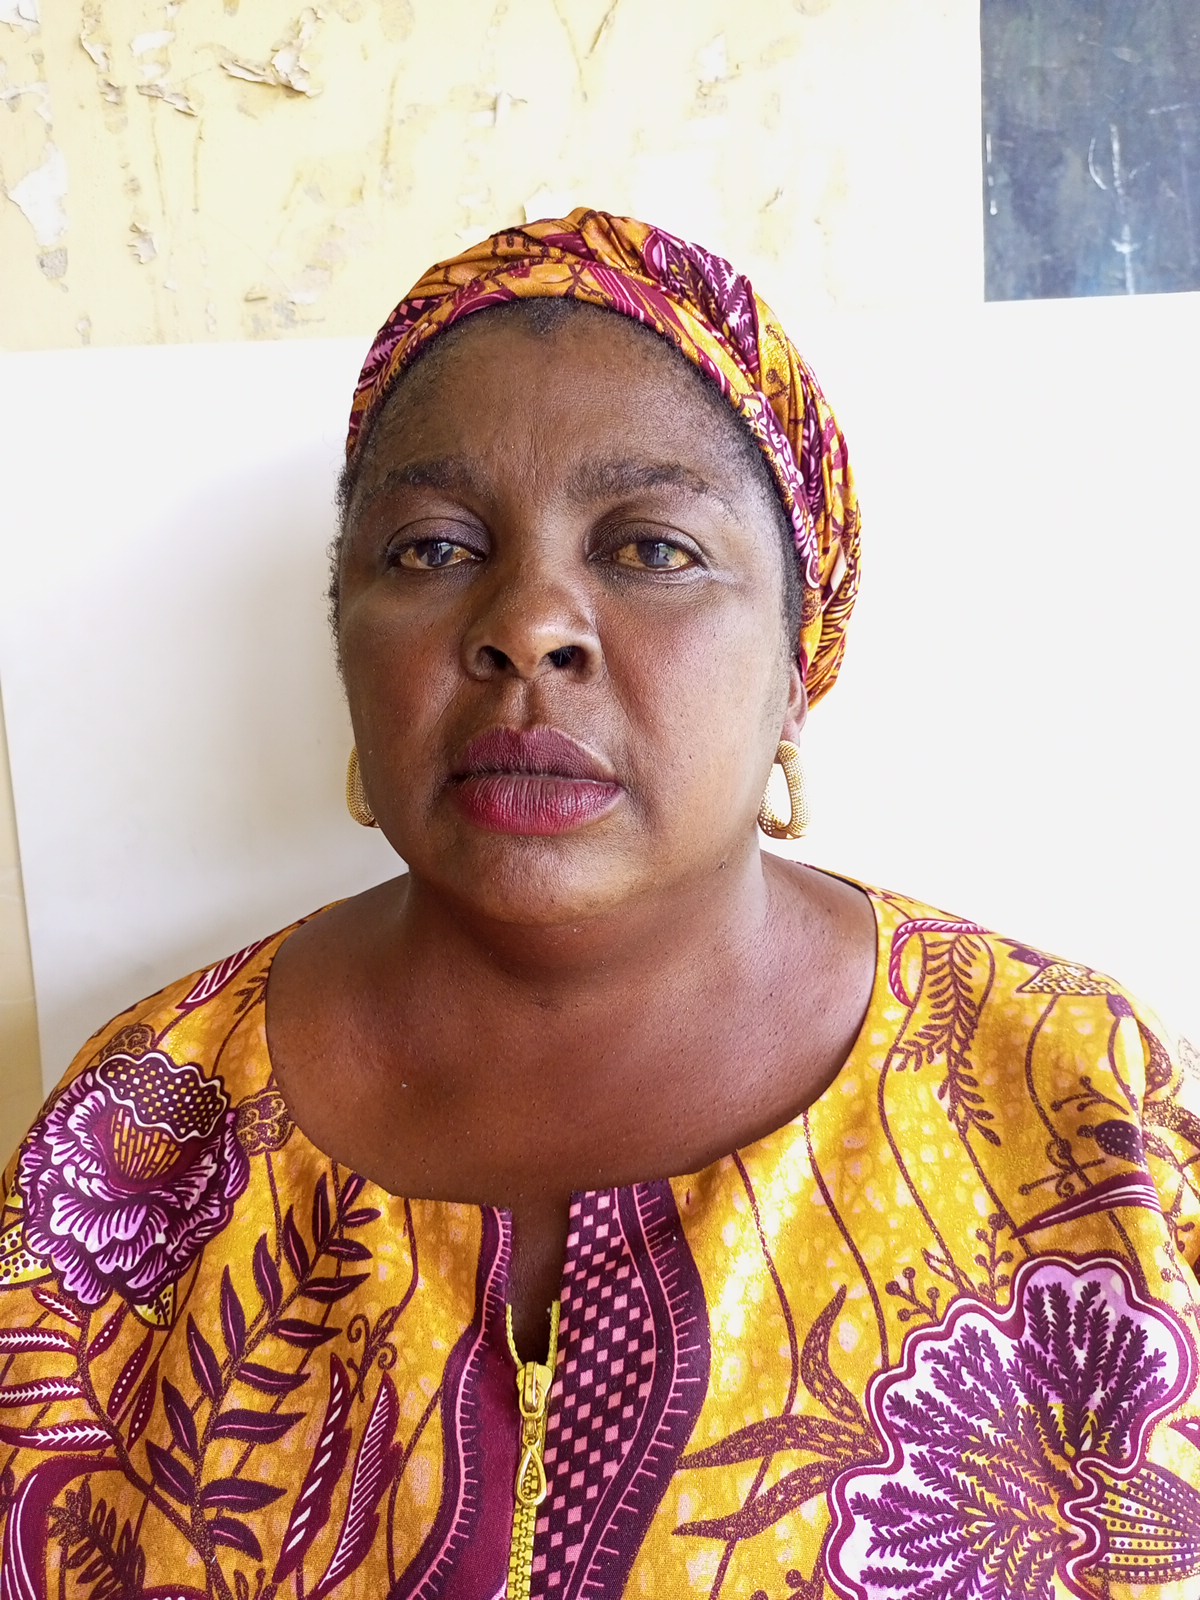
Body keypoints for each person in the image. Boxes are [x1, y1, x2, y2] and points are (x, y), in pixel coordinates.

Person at [0, 208, 1196, 1600]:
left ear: (797, 664)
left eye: (652, 548)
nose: (530, 625)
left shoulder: (1076, 1101)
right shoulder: (140, 1139)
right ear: (342, 641)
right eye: (432, 549)